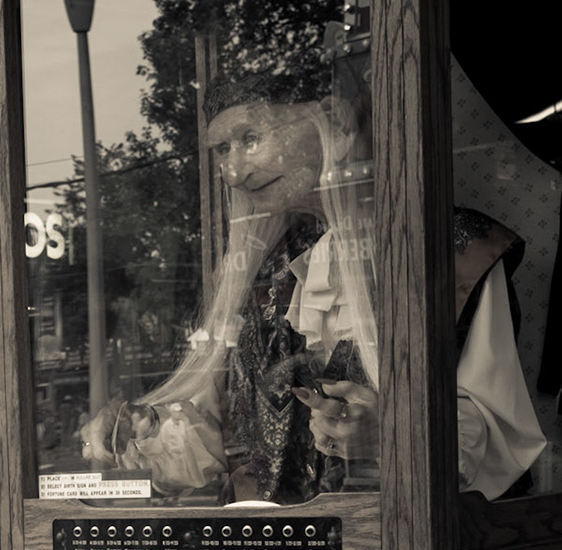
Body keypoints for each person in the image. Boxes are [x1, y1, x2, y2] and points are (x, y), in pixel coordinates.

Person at [80, 45, 545, 504]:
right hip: (273, 543)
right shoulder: (267, 275)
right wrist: (139, 428)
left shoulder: (452, 250)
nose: (233, 172)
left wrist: (393, 433)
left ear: (335, 125)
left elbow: (499, 438)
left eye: (251, 137)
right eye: (222, 149)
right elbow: (226, 436)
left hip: (397, 538)